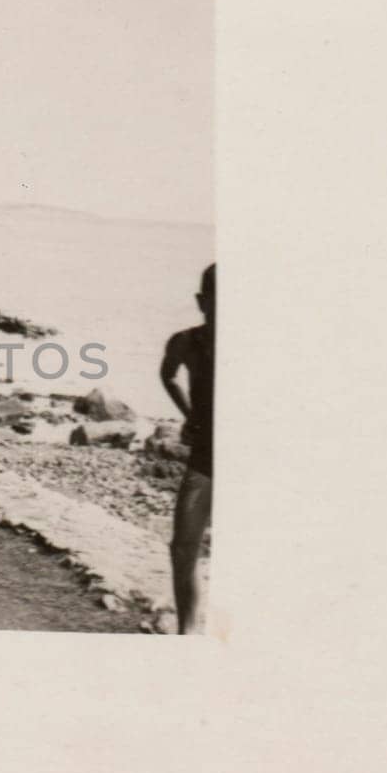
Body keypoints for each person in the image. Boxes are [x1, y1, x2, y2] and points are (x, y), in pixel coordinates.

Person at [160, 263, 215, 635]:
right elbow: (167, 374)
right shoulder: (186, 342)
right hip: (204, 460)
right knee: (183, 548)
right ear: (201, 300)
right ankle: (188, 633)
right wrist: (189, 414)